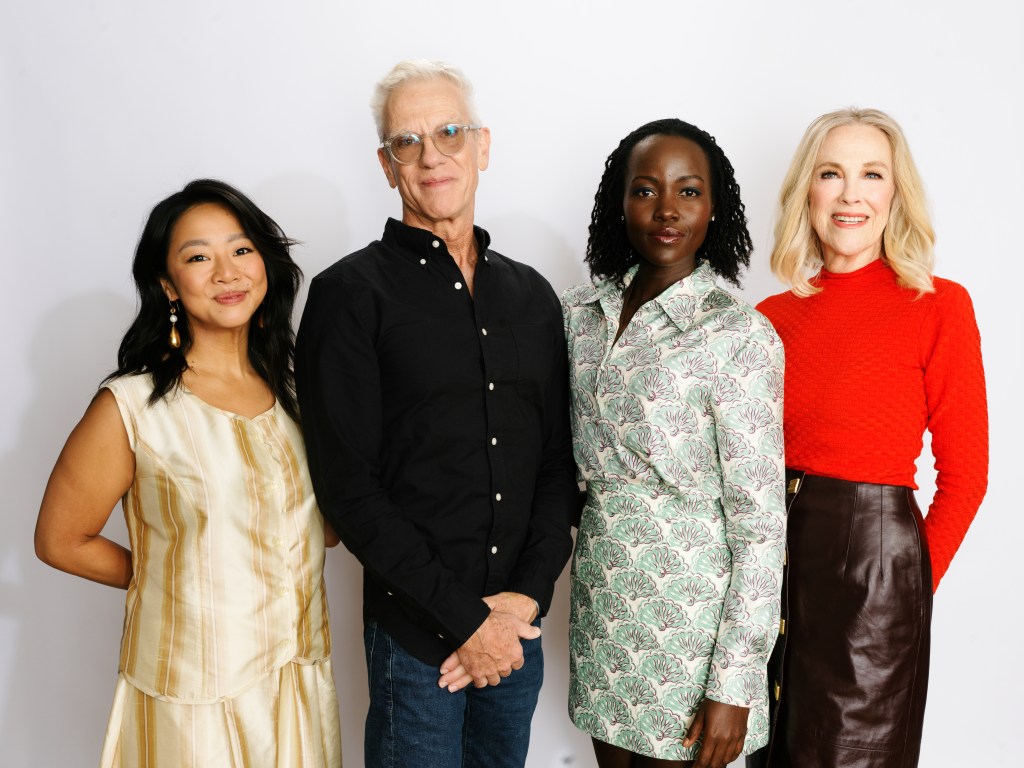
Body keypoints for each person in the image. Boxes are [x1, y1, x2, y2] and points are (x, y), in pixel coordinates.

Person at [295, 60, 577, 768]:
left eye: (450, 131)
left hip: (517, 631)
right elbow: (347, 488)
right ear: (387, 166)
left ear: (483, 145)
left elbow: (554, 462)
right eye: (407, 141)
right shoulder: (348, 296)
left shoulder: (533, 297)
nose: (431, 155)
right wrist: (465, 622)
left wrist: (524, 602)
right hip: (418, 639)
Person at [34, 179, 341, 768]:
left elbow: (324, 530)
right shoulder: (133, 406)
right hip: (193, 690)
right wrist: (174, 585)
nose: (227, 271)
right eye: (199, 257)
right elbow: (60, 540)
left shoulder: (299, 396)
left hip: (297, 678)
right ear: (168, 285)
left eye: (241, 249)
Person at [750, 108, 988, 768]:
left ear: (894, 193)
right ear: (809, 191)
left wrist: (906, 591)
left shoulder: (938, 306)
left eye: (871, 174)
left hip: (875, 573)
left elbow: (967, 476)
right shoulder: (768, 320)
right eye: (832, 173)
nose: (851, 193)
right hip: (771, 571)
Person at [562, 118, 786, 768]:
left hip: (691, 625)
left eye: (689, 191)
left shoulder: (739, 336)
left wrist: (735, 683)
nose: (666, 210)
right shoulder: (579, 314)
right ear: (619, 202)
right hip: (604, 606)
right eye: (646, 190)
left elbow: (761, 523)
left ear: (715, 208)